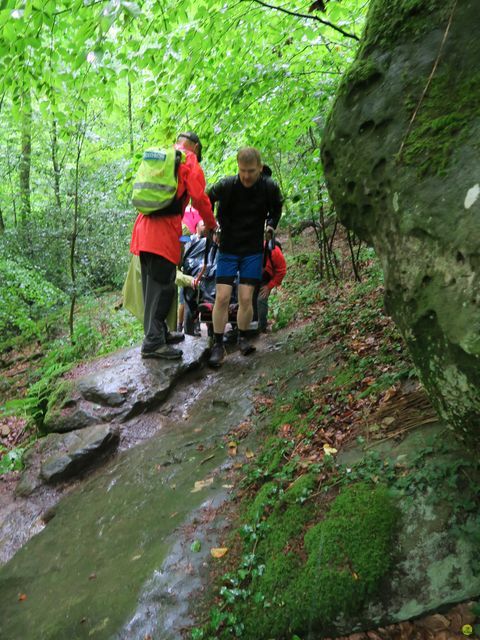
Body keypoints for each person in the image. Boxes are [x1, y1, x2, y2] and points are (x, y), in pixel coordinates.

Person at [130, 132, 216, 359]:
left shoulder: (164, 157)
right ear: (196, 147)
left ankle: (159, 333)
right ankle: (153, 343)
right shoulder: (189, 161)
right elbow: (200, 199)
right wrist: (211, 224)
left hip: (142, 231)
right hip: (161, 235)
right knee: (163, 288)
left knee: (153, 288)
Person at [207, 147, 282, 366]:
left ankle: (242, 337)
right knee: (221, 297)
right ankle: (218, 345)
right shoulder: (227, 185)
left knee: (246, 298)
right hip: (228, 248)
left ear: (260, 168)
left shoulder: (268, 187)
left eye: (251, 171)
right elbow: (206, 199)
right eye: (242, 171)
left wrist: (270, 226)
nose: (246, 176)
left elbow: (277, 208)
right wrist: (212, 227)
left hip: (252, 250)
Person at [256, 236, 287, 332]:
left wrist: (269, 286)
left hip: (265, 278)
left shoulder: (274, 252)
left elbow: (281, 271)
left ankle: (261, 327)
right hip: (249, 276)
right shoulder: (250, 249)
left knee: (261, 299)